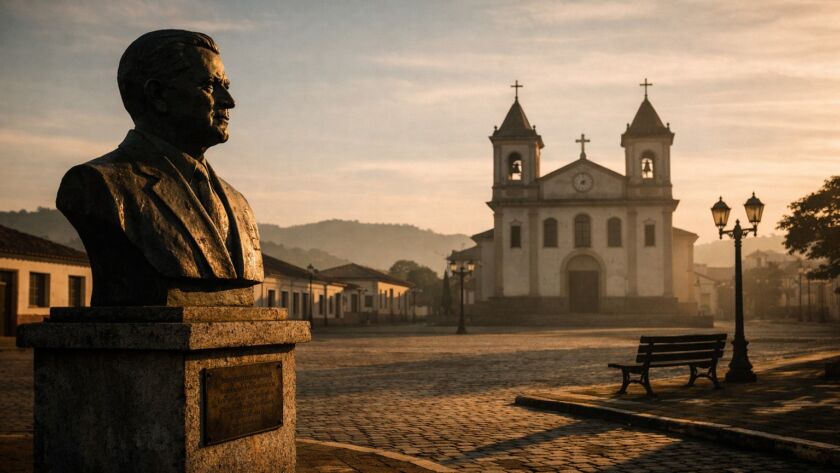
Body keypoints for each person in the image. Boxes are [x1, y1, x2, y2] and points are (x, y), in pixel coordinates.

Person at [57, 30, 263, 306]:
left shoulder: (239, 204)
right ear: (158, 95)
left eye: (226, 85)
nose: (229, 101)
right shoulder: (97, 184)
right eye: (210, 86)